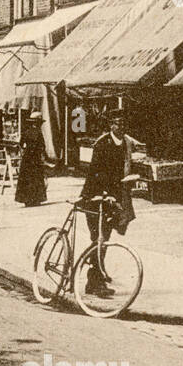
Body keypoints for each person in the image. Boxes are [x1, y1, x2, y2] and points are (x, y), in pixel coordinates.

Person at [78, 110, 137, 296]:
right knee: (99, 239)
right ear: (111, 125)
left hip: (113, 198)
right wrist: (104, 193)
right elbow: (95, 172)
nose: (121, 127)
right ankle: (94, 282)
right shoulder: (103, 144)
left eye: (123, 123)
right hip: (95, 198)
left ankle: (97, 273)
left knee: (105, 237)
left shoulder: (126, 144)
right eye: (117, 123)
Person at [15, 112, 48, 206]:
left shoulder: (26, 132)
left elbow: (20, 144)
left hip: (26, 159)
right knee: (35, 178)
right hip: (35, 159)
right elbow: (42, 146)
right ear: (37, 123)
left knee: (26, 178)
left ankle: (26, 200)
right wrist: (43, 156)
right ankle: (36, 199)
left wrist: (24, 151)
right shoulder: (38, 133)